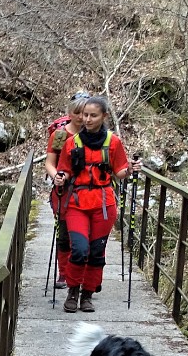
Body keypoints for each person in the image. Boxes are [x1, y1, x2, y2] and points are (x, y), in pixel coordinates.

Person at [55, 94, 130, 313]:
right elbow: (64, 169)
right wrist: (61, 177)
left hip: (103, 204)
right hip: (77, 203)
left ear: (104, 116)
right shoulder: (72, 142)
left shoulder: (113, 142)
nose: (87, 119)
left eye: (93, 116)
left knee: (97, 252)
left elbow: (120, 172)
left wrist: (132, 169)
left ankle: (87, 295)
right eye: (85, 115)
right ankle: (73, 291)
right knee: (79, 249)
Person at [45, 92, 89, 287]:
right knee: (63, 233)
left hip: (89, 190)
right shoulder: (60, 135)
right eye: (77, 112)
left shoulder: (97, 136)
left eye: (85, 112)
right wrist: (56, 176)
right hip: (64, 190)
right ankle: (63, 273)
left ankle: (79, 273)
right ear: (69, 113)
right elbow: (50, 162)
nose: (81, 117)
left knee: (85, 235)